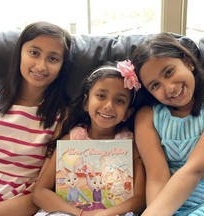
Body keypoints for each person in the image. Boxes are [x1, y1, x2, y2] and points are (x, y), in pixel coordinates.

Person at [0, 21, 71, 216]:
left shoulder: (61, 116)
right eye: (34, 53)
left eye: (53, 58)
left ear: (62, 66)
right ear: (19, 54)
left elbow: (38, 195)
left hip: (13, 205)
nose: (41, 66)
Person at [131, 32, 204, 215]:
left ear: (188, 62)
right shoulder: (147, 116)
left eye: (169, 72)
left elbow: (195, 170)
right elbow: (157, 177)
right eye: (155, 85)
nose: (169, 88)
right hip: (166, 208)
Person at [32, 60, 146, 216]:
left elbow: (140, 199)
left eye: (119, 101)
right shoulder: (72, 140)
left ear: (127, 113)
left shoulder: (130, 144)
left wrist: (105, 214)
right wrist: (81, 214)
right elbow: (40, 192)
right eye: (101, 95)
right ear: (86, 102)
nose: (108, 105)